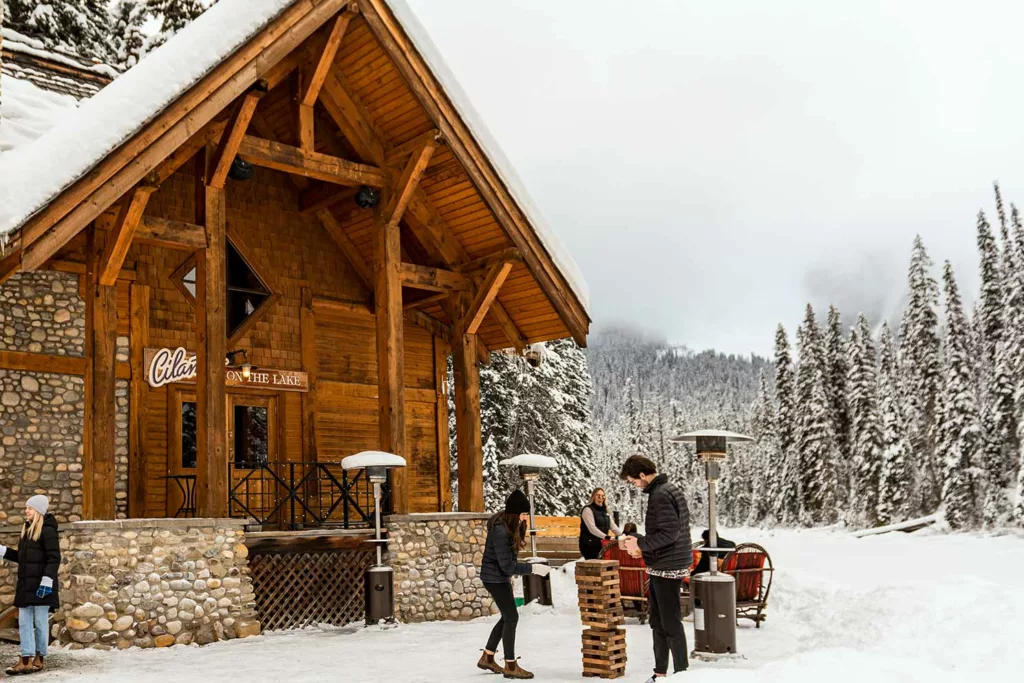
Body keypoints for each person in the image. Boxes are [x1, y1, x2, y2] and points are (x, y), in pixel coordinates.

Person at [620, 455, 691, 680]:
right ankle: (660, 673)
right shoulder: (666, 490)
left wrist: (640, 544)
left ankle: (681, 675)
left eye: (634, 481)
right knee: (658, 621)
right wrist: (640, 542)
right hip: (666, 563)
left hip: (667, 566)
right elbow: (667, 531)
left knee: (669, 622)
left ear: (642, 475)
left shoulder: (660, 494)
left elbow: (670, 534)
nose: (635, 485)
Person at [477, 489, 550, 679]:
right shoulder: (500, 530)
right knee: (512, 617)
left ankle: (488, 657)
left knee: (507, 617)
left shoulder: (510, 525)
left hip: (498, 577)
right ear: (515, 512)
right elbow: (508, 566)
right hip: (494, 579)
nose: (526, 517)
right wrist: (533, 569)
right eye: (524, 513)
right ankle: (510, 665)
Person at [1, 495, 60, 675]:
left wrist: (47, 581)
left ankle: (39, 658)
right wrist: (3, 550)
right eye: (26, 508)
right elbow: (22, 558)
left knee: (40, 623)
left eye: (30, 508)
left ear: (39, 511)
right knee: (25, 623)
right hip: (26, 585)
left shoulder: (48, 530)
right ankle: (25, 659)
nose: (26, 511)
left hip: (42, 585)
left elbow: (54, 558)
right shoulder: (26, 531)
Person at [578, 488, 621, 560]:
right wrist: (606, 537)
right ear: (593, 497)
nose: (600, 498)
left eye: (603, 496)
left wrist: (624, 536)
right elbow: (592, 528)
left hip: (602, 544)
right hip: (589, 545)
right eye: (598, 496)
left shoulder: (604, 511)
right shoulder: (588, 510)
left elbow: (613, 527)